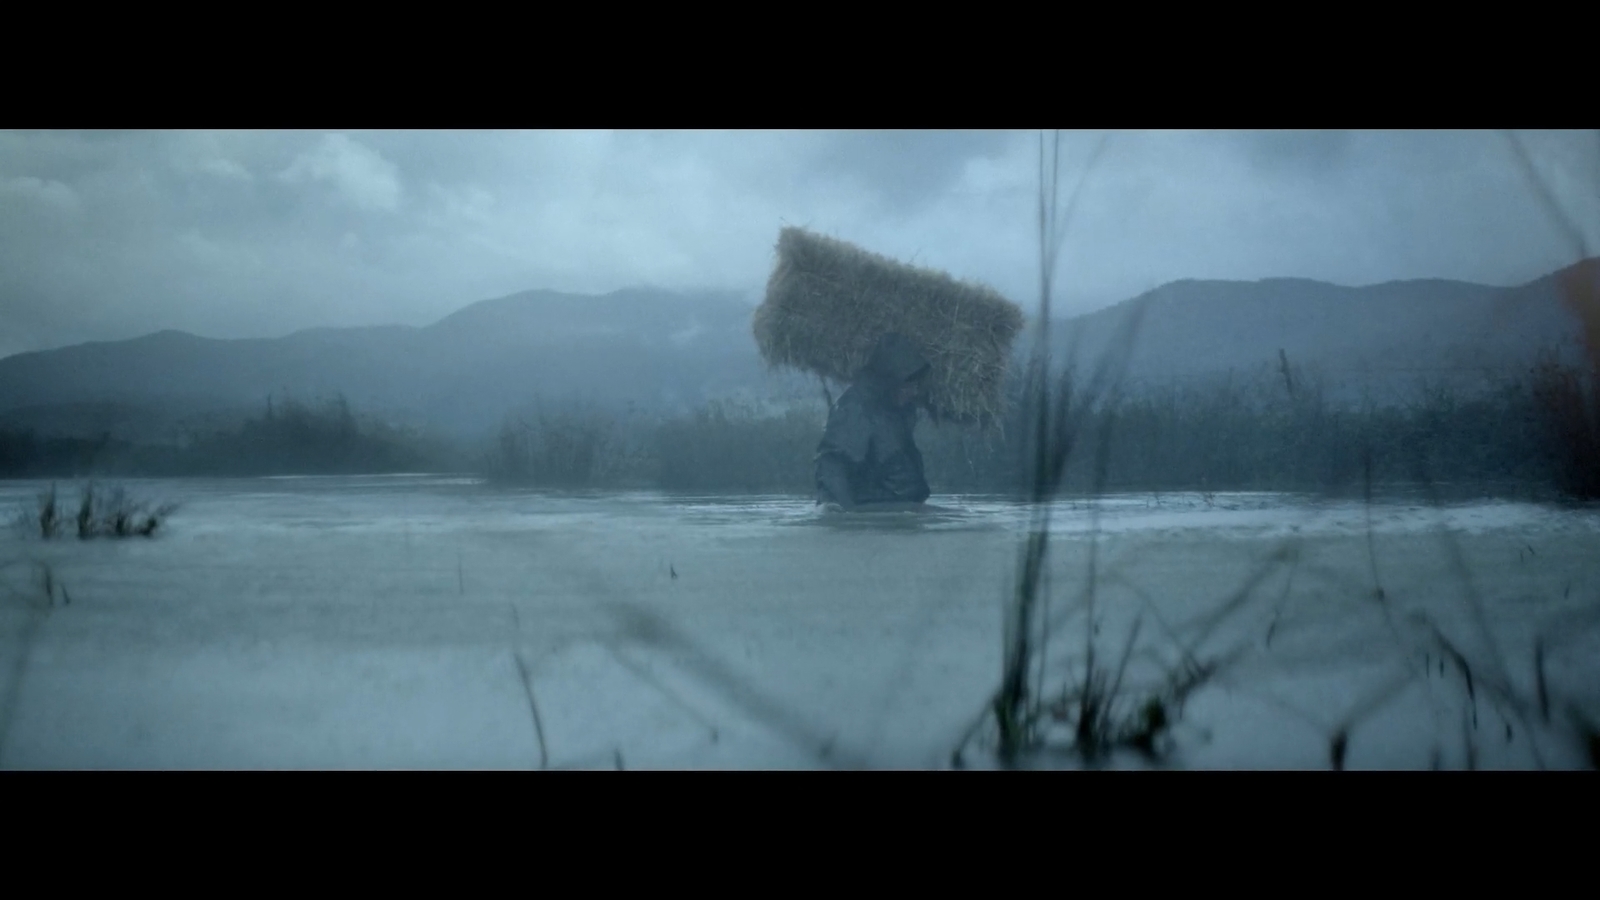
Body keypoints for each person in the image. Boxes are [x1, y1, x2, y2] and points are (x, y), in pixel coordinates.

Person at [814, 332, 932, 511]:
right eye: (909, 385)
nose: (914, 392)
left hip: (901, 514)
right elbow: (833, 463)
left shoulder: (898, 411)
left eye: (916, 385)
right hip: (873, 516)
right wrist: (845, 512)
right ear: (891, 380)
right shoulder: (856, 408)